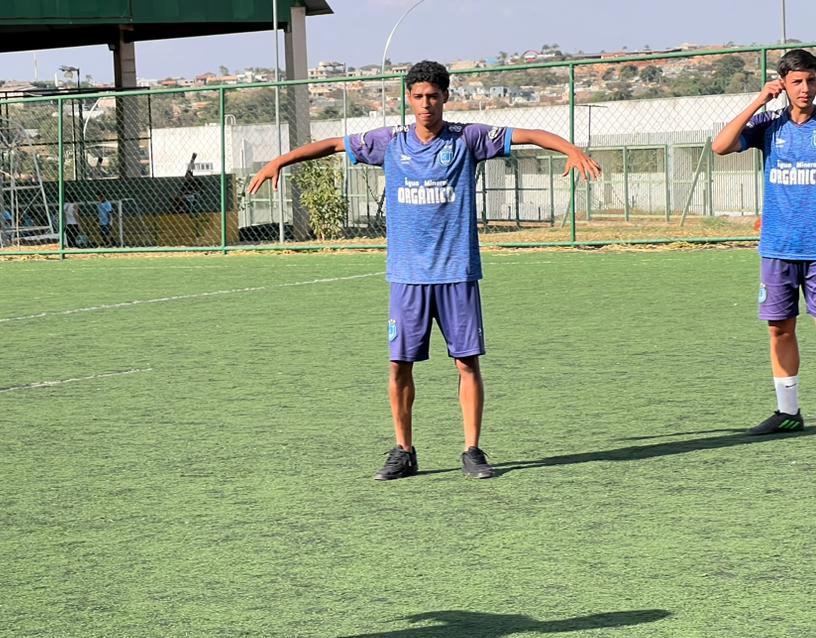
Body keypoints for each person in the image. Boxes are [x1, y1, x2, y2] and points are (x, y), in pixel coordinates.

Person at [248, 60, 601, 480]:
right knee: (399, 366)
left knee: (467, 363)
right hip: (407, 277)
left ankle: (472, 450)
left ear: (445, 97)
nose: (425, 104)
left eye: (433, 96)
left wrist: (571, 149)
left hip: (457, 272)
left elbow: (527, 135)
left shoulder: (467, 138)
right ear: (408, 99)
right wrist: (280, 162)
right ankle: (403, 451)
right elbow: (331, 145)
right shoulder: (389, 142)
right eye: (417, 96)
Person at [712, 48, 816, 435]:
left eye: (811, 80)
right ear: (784, 84)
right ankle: (788, 413)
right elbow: (720, 146)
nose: (805, 89)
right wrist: (757, 100)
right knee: (780, 329)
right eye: (797, 82)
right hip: (778, 249)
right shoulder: (769, 125)